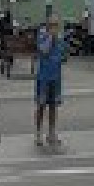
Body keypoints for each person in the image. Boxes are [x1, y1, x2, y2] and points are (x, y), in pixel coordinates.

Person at [33, 16, 67, 149]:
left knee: (53, 106)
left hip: (55, 78)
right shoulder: (42, 36)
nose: (54, 27)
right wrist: (51, 37)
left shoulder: (60, 38)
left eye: (56, 25)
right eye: (52, 24)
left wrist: (63, 53)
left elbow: (63, 55)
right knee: (41, 106)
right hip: (44, 78)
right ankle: (38, 134)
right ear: (47, 25)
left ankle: (51, 133)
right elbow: (44, 51)